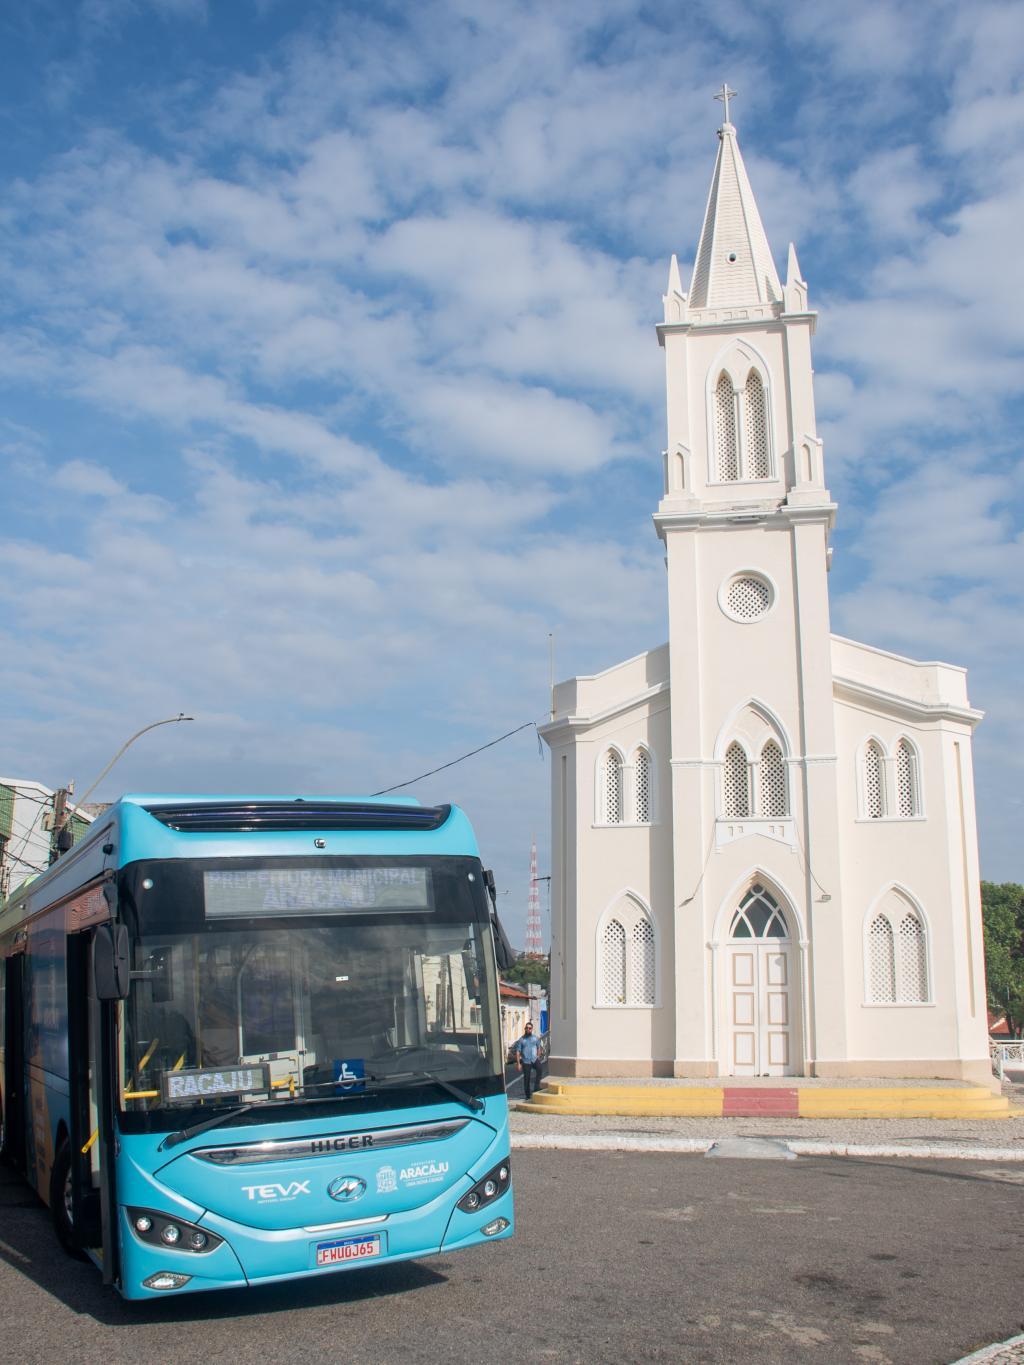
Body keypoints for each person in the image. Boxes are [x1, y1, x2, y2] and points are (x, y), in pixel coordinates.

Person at [514, 1021, 543, 1101]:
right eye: (527, 1028)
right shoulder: (521, 1040)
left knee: (540, 1069)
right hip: (526, 1061)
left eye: (530, 1028)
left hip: (534, 1059)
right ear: (525, 1029)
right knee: (527, 1078)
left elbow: (539, 1047)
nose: (528, 1029)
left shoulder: (535, 1038)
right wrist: (518, 1063)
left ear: (532, 1029)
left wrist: (538, 1056)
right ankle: (527, 1095)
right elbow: (518, 1052)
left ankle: (536, 1088)